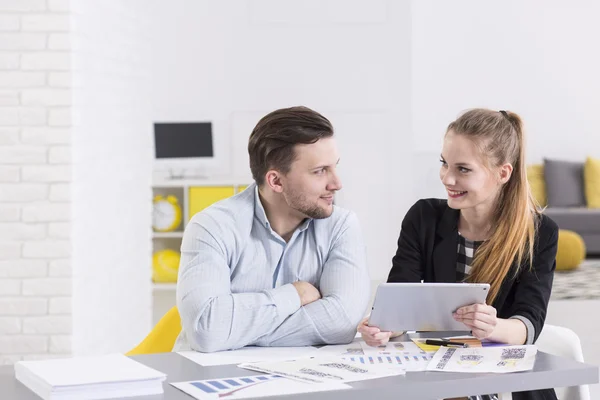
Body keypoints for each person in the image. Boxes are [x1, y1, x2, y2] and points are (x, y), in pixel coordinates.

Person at [358, 109, 558, 400]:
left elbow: (528, 324)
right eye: (444, 164)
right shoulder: (423, 217)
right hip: (439, 375)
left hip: (507, 383)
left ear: (503, 173)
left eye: (463, 169)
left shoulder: (539, 232)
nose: (447, 178)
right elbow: (399, 297)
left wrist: (494, 326)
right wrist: (384, 326)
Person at [174, 106, 370, 353]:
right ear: (276, 181)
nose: (337, 183)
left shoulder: (341, 226)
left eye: (335, 166)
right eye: (320, 171)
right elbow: (206, 330)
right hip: (211, 383)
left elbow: (342, 322)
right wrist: (294, 295)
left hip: (302, 381)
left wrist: (236, 333)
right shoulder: (212, 227)